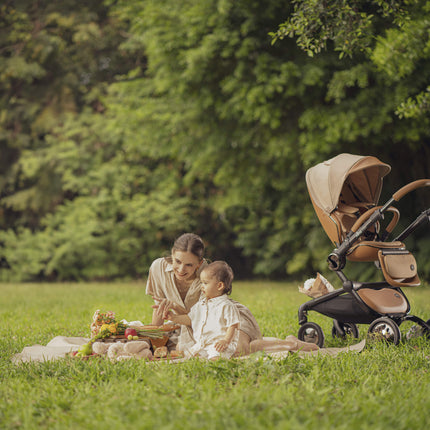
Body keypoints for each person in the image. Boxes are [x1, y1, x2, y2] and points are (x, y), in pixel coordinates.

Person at [146, 232, 319, 355]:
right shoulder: (158, 268)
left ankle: (290, 343)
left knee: (240, 350)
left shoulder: (208, 276)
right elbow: (159, 308)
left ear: (199, 263)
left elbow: (203, 315)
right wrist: (154, 340)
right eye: (177, 261)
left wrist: (175, 309)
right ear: (171, 255)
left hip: (225, 317)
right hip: (198, 326)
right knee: (195, 351)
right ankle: (275, 342)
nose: (181, 269)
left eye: (189, 265)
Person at [166, 261, 240, 360]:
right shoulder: (201, 304)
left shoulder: (226, 305)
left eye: (205, 283)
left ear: (219, 286)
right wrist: (174, 317)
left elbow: (234, 325)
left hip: (219, 345)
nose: (201, 286)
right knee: (190, 357)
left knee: (215, 358)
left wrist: (226, 341)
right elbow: (190, 319)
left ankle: (216, 362)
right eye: (201, 282)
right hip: (202, 345)